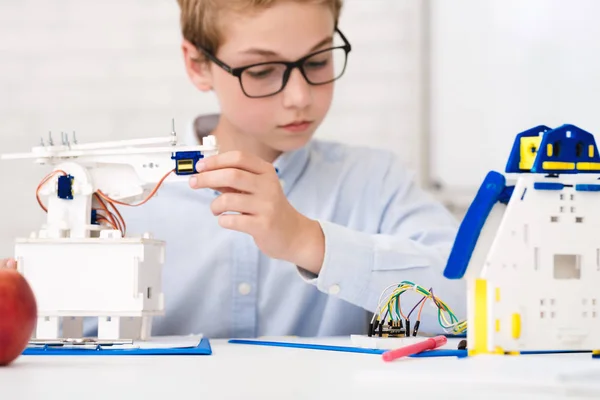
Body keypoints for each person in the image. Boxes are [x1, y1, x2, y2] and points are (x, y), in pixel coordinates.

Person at [1, 0, 466, 338]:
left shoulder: (374, 181)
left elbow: (468, 303)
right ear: (198, 64)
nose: (299, 96)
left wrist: (308, 240)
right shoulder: (123, 197)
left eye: (319, 60)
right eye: (262, 71)